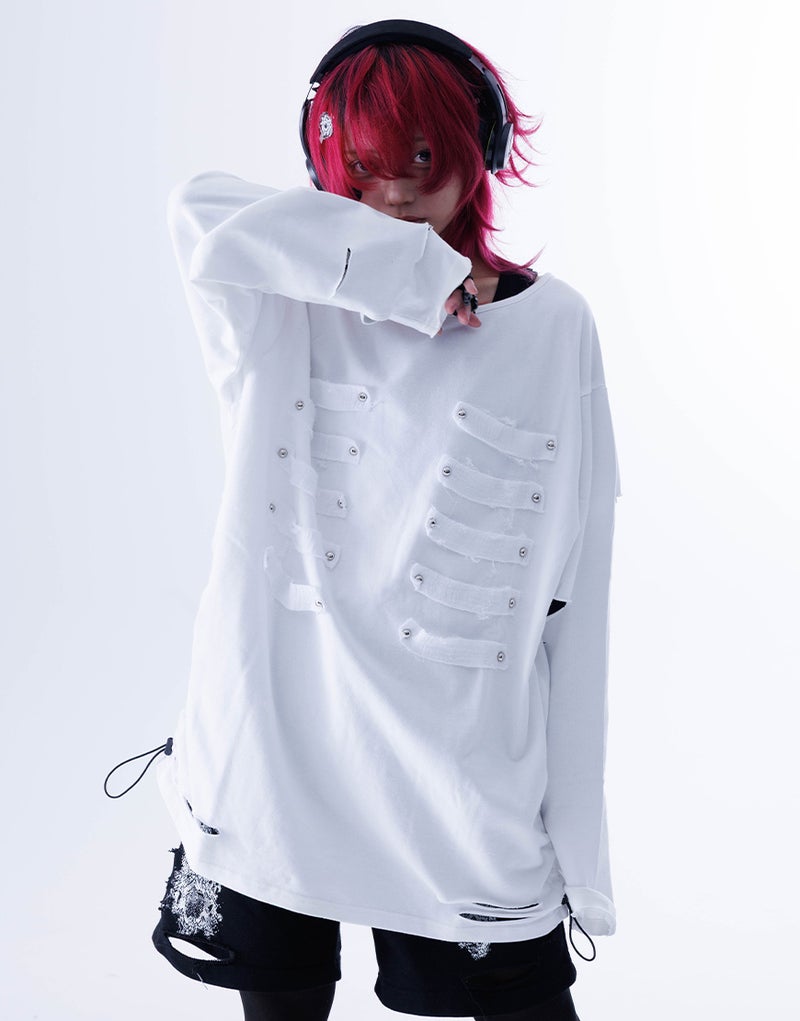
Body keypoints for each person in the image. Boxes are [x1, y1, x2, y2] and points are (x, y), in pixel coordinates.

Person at [107, 18, 622, 1021]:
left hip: (460, 770)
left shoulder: (553, 325)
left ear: (476, 146)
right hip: (277, 749)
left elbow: (578, 586)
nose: (393, 192)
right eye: (365, 165)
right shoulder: (280, 301)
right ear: (325, 166)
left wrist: (579, 849)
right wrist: (412, 276)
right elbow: (195, 211)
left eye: (422, 157)